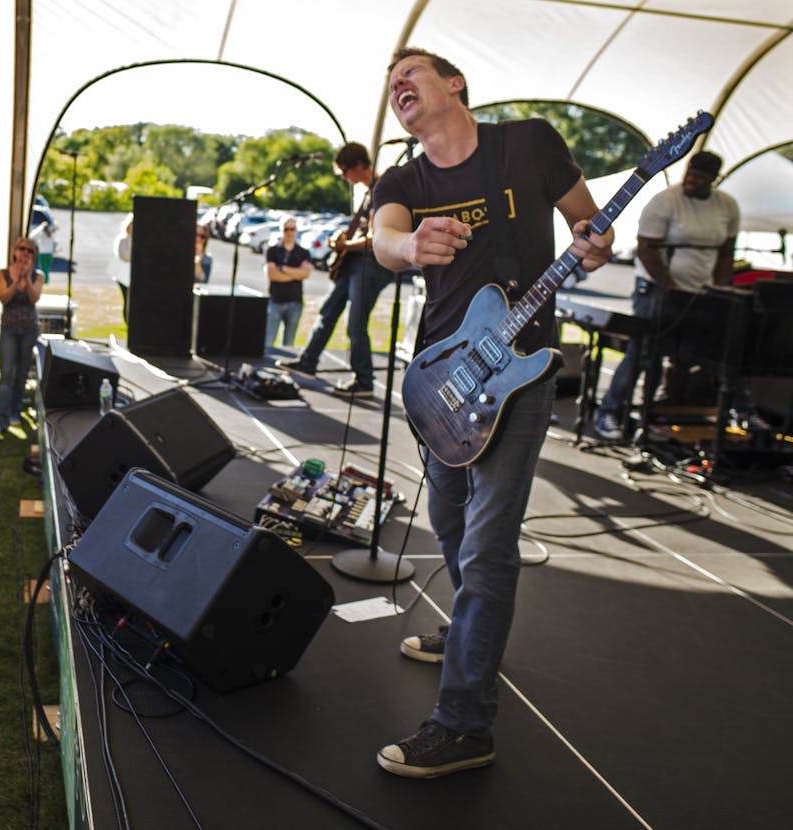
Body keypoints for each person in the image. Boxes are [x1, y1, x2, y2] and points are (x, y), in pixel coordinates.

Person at [369, 47, 611, 778]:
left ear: (454, 84)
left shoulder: (529, 142)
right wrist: (410, 244)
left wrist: (596, 244)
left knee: (486, 543)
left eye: (410, 74)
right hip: (440, 379)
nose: (398, 88)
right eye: (390, 86)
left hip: (521, 375)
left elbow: (589, 226)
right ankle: (469, 631)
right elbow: (384, 239)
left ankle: (465, 724)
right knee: (447, 524)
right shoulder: (403, 179)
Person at [593, 150, 739, 440]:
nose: (692, 181)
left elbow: (726, 253)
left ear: (714, 179)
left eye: (700, 178)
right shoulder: (666, 201)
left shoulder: (726, 206)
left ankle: (678, 411)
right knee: (644, 351)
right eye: (690, 174)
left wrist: (719, 288)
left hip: (700, 291)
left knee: (707, 353)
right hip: (657, 288)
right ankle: (609, 411)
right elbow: (647, 248)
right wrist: (668, 286)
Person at [278, 143, 396, 397]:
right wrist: (342, 240)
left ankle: (363, 381)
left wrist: (344, 244)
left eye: (344, 171)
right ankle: (307, 362)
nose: (343, 177)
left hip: (370, 264)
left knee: (355, 323)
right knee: (328, 310)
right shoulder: (366, 192)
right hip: (354, 261)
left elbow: (375, 239)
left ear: (357, 166)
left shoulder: (381, 190)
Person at [0, 236, 43, 434]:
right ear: (14, 252)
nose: (25, 253)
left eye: (30, 250)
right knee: (7, 372)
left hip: (28, 329)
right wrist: (16, 281)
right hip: (9, 328)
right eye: (22, 249)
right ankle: (2, 417)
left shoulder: (37, 276)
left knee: (22, 372)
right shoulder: (3, 273)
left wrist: (27, 278)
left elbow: (34, 298)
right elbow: (3, 297)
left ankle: (15, 411)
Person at [264, 214, 312, 349]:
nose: (289, 232)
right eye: (286, 229)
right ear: (281, 230)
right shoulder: (272, 251)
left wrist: (283, 269)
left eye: (292, 229)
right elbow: (272, 275)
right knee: (268, 342)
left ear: (296, 230)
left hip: (295, 302)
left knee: (289, 344)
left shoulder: (303, 252)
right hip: (275, 301)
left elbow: (306, 273)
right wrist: (295, 273)